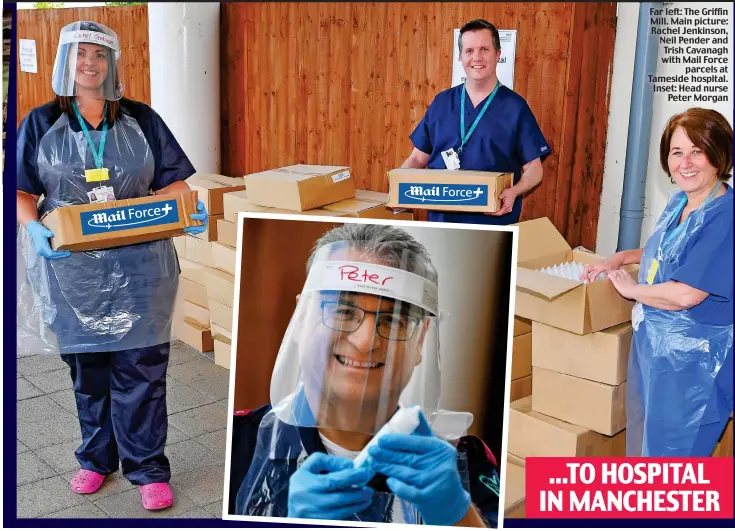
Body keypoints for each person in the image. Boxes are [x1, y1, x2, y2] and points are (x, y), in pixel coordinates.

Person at [15, 21, 208, 510]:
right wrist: (32, 227)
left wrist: (184, 210)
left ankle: (147, 467)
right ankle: (96, 460)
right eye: (80, 55)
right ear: (65, 62)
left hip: (140, 268)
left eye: (100, 56)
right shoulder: (40, 122)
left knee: (142, 368)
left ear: (113, 63)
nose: (90, 64)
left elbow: (176, 183)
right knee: (89, 370)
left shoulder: (142, 119)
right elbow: (19, 191)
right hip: (72, 273)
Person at [228, 224, 501, 527]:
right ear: (301, 318)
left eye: (393, 319)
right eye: (342, 311)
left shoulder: (461, 462)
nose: (366, 341)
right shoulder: (239, 441)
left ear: (420, 339)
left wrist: (458, 515)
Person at [583, 108, 733, 457]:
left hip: (695, 365)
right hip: (660, 351)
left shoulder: (725, 216)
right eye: (677, 152)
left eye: (698, 150)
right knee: (649, 447)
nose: (686, 162)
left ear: (719, 153)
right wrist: (619, 258)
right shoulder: (682, 201)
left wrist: (631, 290)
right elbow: (664, 251)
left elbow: (686, 294)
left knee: (674, 460)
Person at [401, 19, 551, 225]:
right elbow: (417, 160)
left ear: (498, 54)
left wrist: (515, 191)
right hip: (441, 225)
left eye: (484, 49)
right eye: (469, 50)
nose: (477, 57)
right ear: (460, 57)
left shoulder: (516, 108)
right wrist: (398, 187)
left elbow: (535, 169)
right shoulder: (442, 103)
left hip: (494, 226)